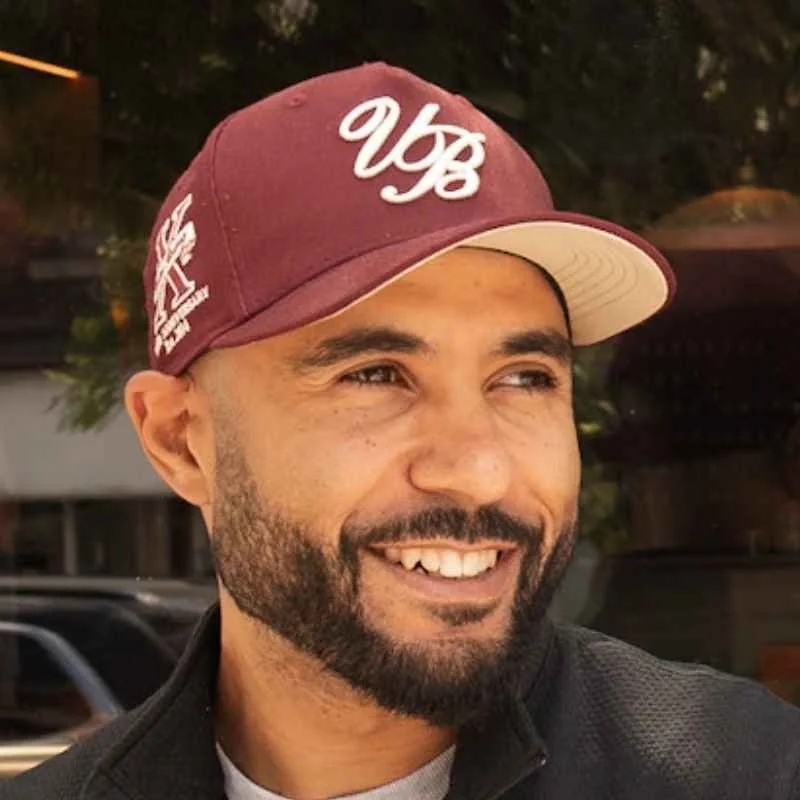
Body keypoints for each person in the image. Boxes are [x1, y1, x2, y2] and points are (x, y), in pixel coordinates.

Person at [4, 62, 799, 800]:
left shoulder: (749, 772)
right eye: (376, 374)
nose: (480, 471)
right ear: (181, 440)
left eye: (523, 379)